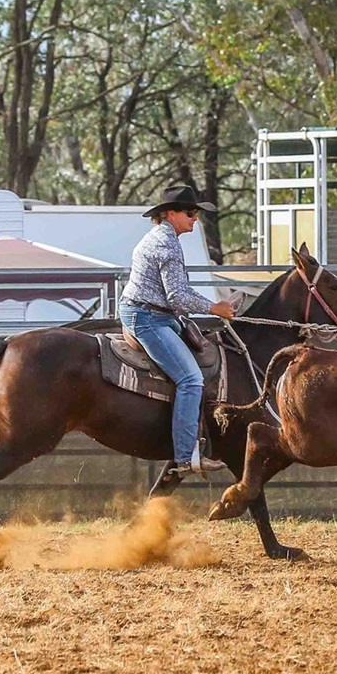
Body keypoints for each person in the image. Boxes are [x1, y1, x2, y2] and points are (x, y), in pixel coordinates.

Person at [118, 184, 236, 475]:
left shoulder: (162, 237)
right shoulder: (167, 244)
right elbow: (178, 297)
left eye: (196, 213)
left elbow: (176, 294)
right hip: (148, 317)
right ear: (170, 214)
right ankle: (185, 456)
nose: (195, 218)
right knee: (191, 379)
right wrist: (215, 308)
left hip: (154, 312)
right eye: (190, 212)